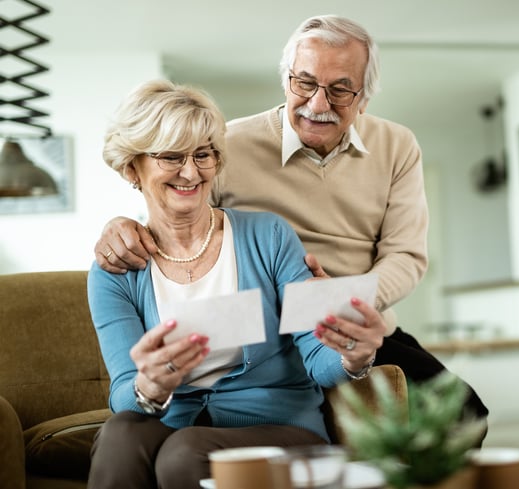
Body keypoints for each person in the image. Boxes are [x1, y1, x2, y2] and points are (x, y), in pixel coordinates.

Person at [93, 14, 489, 424]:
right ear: (285, 80)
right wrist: (122, 225)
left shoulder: (397, 146)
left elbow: (405, 256)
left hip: (349, 323)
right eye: (305, 83)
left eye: (340, 90)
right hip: (262, 335)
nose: (318, 104)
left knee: (463, 415)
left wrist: (336, 301)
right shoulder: (229, 144)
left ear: (364, 97)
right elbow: (181, 213)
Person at [87, 79, 387, 489]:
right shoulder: (115, 271)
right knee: (121, 432)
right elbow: (124, 394)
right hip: (175, 424)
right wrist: (150, 386)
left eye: (203, 155)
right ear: (131, 169)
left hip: (279, 427)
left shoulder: (268, 236)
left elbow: (319, 359)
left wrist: (354, 354)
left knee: (183, 452)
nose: (191, 172)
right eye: (172, 157)